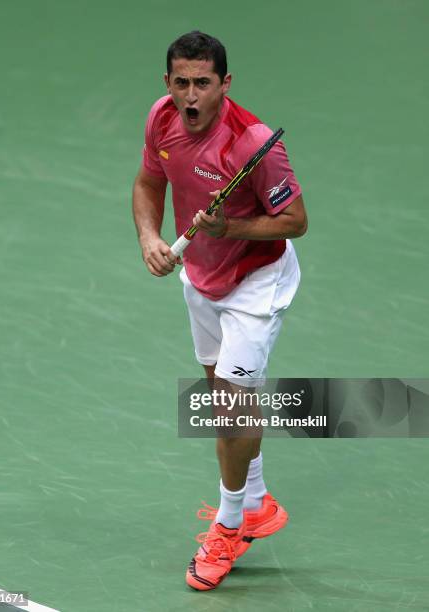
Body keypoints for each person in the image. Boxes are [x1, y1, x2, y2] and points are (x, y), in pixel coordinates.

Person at [132, 31, 308, 591]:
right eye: (181, 82)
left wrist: (229, 226)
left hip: (257, 280)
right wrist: (148, 238)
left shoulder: (254, 142)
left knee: (232, 406)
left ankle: (231, 525)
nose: (190, 95)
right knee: (219, 396)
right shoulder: (161, 119)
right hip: (201, 274)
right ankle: (255, 501)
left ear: (224, 84)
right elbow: (147, 183)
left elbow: (296, 221)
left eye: (202, 83)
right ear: (167, 83)